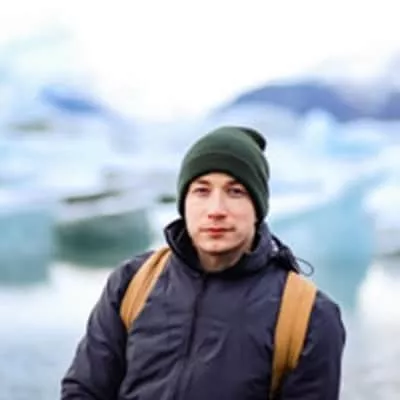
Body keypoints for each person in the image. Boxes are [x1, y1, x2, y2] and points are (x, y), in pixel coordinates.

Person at [61, 126, 346, 399]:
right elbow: (84, 390)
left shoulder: (307, 316)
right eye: (201, 190)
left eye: (236, 191)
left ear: (258, 207)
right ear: (184, 202)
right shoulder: (132, 283)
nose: (216, 210)